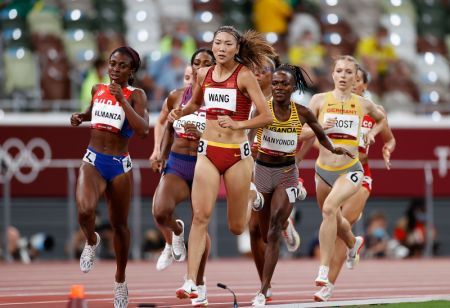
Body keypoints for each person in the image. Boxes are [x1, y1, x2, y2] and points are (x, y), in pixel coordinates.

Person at [167, 25, 277, 299]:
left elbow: (266, 116)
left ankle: (253, 196)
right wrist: (179, 112)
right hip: (207, 152)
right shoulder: (203, 74)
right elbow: (194, 104)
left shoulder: (245, 76)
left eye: (228, 44)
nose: (221, 48)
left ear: (237, 48)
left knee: (236, 227)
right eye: (217, 43)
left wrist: (239, 122)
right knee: (200, 216)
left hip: (237, 155)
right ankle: (191, 281)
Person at [250, 64, 353, 306]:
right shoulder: (262, 108)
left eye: (283, 83)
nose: (278, 87)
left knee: (272, 232)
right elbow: (248, 134)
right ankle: (286, 223)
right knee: (265, 233)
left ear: (293, 87)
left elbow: (319, 133)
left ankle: (263, 290)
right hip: (262, 171)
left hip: (286, 173)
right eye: (274, 83)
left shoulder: (303, 112)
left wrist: (334, 148)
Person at [70, 46, 149, 308]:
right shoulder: (97, 88)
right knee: (85, 210)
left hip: (119, 165)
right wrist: (82, 116)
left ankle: (120, 280)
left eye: (122, 66)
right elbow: (94, 110)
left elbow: (143, 130)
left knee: (120, 226)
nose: (115, 69)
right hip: (93, 160)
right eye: (112, 63)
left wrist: (123, 100)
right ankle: (92, 240)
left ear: (132, 71)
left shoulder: (136, 95)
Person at [313, 65, 396, 302]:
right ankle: (354, 242)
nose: (350, 81)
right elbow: (313, 136)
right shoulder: (331, 105)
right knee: (333, 221)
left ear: (364, 85)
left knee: (341, 222)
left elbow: (390, 139)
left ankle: (328, 283)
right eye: (346, 75)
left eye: (356, 79)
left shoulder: (372, 110)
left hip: (359, 174)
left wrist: (386, 148)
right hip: (332, 171)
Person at [151, 48, 215, 307]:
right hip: (178, 163)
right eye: (196, 63)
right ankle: (176, 232)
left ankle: (199, 283)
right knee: (160, 212)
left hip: (204, 165)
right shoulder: (176, 97)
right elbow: (166, 125)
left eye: (206, 64)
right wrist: (160, 153)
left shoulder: (221, 99)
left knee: (200, 223)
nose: (200, 68)